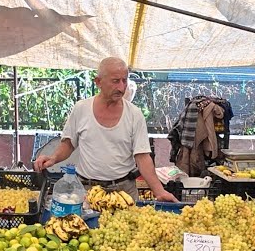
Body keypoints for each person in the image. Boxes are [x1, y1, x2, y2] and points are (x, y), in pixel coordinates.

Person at [34, 57, 176, 202]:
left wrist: (159, 191)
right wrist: (53, 158)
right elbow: (68, 144)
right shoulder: (81, 109)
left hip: (124, 191)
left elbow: (142, 157)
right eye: (115, 81)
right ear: (98, 82)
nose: (121, 87)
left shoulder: (134, 114)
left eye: (124, 81)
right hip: (88, 190)